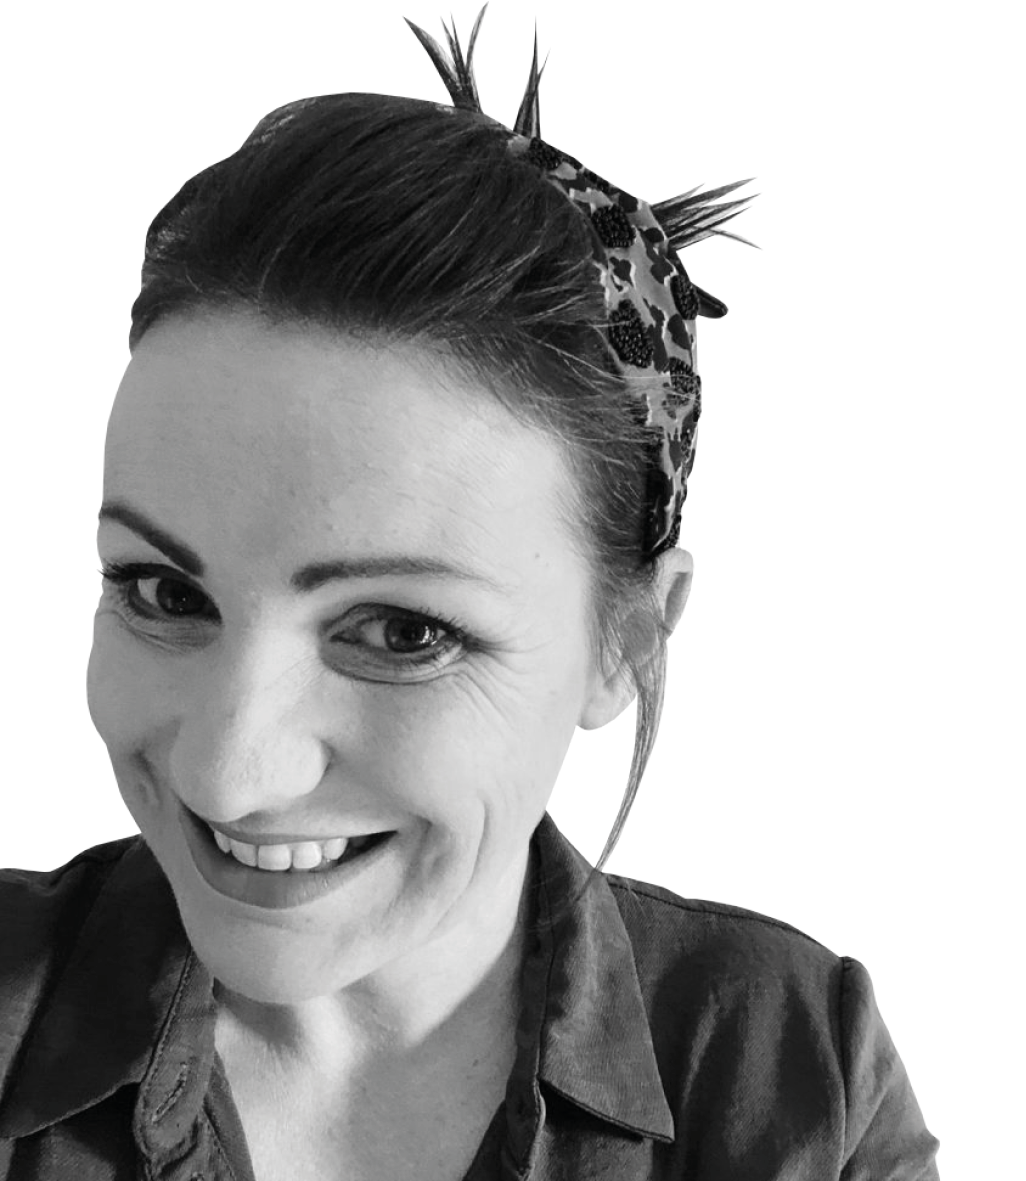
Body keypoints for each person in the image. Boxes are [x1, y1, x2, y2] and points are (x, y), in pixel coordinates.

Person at [0, 10, 939, 1180]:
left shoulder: (788, 1067)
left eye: (400, 631)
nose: (227, 772)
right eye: (163, 591)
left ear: (627, 640)